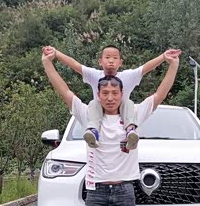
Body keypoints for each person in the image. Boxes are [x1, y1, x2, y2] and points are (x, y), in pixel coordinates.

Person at [41, 45, 181, 206]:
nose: (110, 97)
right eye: (105, 93)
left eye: (115, 93)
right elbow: (64, 91)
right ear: (98, 95)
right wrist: (48, 64)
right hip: (96, 190)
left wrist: (172, 65)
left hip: (125, 190)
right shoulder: (87, 116)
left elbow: (160, 94)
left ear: (122, 94)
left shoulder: (134, 115)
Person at [47, 46, 182, 151]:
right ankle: (93, 130)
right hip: (97, 113)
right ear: (100, 61)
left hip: (124, 112)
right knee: (94, 104)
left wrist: (164, 58)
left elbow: (146, 69)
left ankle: (130, 130)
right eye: (107, 57)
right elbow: (74, 67)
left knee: (128, 103)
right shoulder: (94, 76)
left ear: (120, 62)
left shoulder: (128, 77)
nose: (111, 61)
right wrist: (55, 54)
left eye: (114, 58)